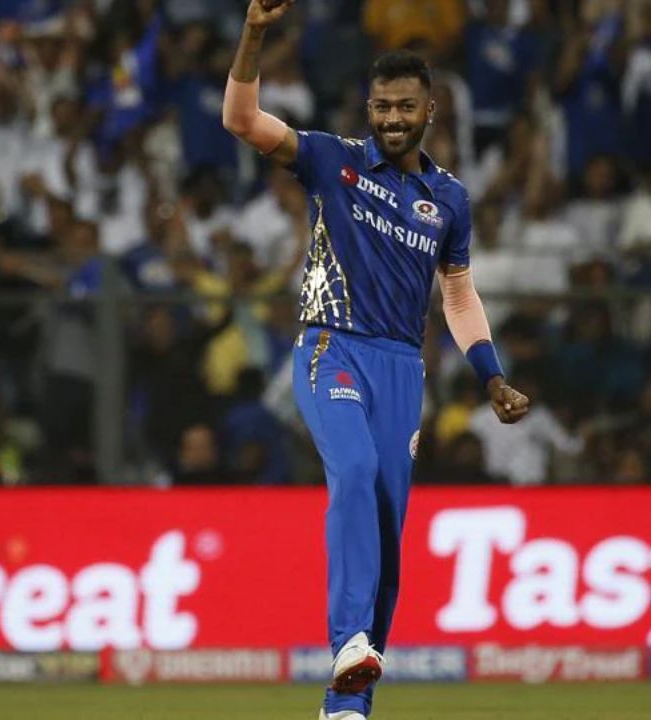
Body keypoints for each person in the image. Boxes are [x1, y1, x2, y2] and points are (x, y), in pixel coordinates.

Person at [222, 3, 530, 719]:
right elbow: (241, 119)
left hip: (401, 367)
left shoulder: (448, 199)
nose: (393, 118)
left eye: (406, 106)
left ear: (430, 110)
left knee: (389, 532)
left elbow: (458, 296)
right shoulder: (331, 159)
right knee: (355, 470)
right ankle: (347, 640)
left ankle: (347, 706)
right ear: (369, 108)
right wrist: (255, 32)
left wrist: (491, 375)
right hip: (331, 346)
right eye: (382, 106)